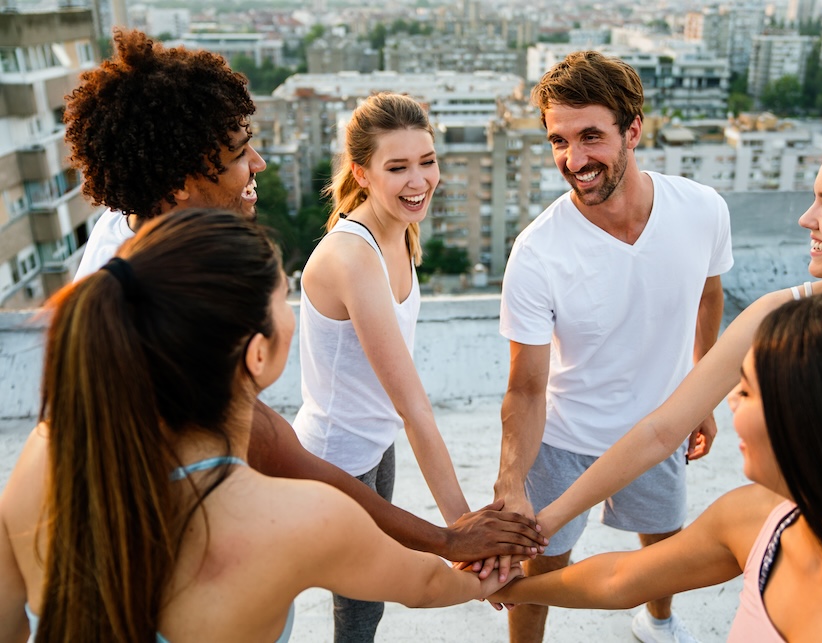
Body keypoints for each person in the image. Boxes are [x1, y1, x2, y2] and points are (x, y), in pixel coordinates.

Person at [65, 29, 546, 567]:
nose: (259, 163)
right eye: (236, 152)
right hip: (151, 540)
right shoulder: (155, 303)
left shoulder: (134, 224)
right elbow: (278, 448)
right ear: (177, 182)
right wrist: (450, 540)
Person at [0, 208, 523, 642]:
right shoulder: (299, 521)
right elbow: (428, 585)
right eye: (284, 298)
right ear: (255, 354)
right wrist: (492, 575)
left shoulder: (43, 454)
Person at [534, 123, 822, 560]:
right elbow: (661, 431)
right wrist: (543, 524)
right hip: (795, 581)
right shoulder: (776, 315)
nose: (805, 218)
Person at [492, 289, 822, 642]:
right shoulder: (758, 518)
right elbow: (620, 577)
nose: (731, 401)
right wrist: (511, 587)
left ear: (814, 417)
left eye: (751, 389)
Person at [492, 50, 733, 643]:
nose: (574, 160)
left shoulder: (702, 210)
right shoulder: (537, 251)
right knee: (538, 578)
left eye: (591, 137)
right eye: (558, 141)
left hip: (660, 428)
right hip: (564, 443)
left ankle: (658, 625)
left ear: (633, 130)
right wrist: (509, 486)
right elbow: (525, 386)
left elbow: (709, 297)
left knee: (663, 555)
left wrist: (700, 394)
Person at [292, 92, 492, 642]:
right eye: (397, 167)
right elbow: (414, 408)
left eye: (427, 162)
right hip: (334, 460)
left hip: (374, 448)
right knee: (351, 606)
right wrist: (462, 529)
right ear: (361, 171)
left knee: (364, 606)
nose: (419, 180)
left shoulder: (400, 232)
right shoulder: (352, 256)